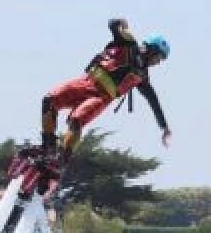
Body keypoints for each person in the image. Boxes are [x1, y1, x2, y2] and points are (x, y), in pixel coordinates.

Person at [38, 18, 172, 172]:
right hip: (85, 82)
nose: (158, 62)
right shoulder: (128, 43)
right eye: (159, 57)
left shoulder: (142, 76)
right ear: (151, 49)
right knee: (49, 100)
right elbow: (112, 23)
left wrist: (164, 127)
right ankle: (48, 146)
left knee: (76, 120)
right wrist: (122, 23)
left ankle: (61, 160)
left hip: (101, 97)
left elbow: (153, 101)